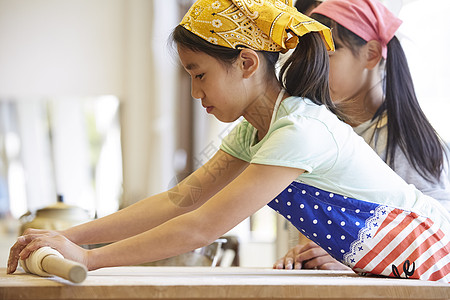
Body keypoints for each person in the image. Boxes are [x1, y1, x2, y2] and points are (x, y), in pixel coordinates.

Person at [7, 0, 450, 282]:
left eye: (200, 75)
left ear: (245, 62)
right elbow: (181, 201)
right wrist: (67, 236)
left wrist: (89, 259)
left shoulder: (300, 129)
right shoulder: (254, 131)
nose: (196, 93)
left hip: (436, 253)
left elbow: (203, 225)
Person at [274, 0, 450, 272]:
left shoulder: (404, 139)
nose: (315, 69)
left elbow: (436, 238)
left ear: (370, 54)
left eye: (328, 56)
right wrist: (304, 255)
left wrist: (353, 259)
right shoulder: (316, 128)